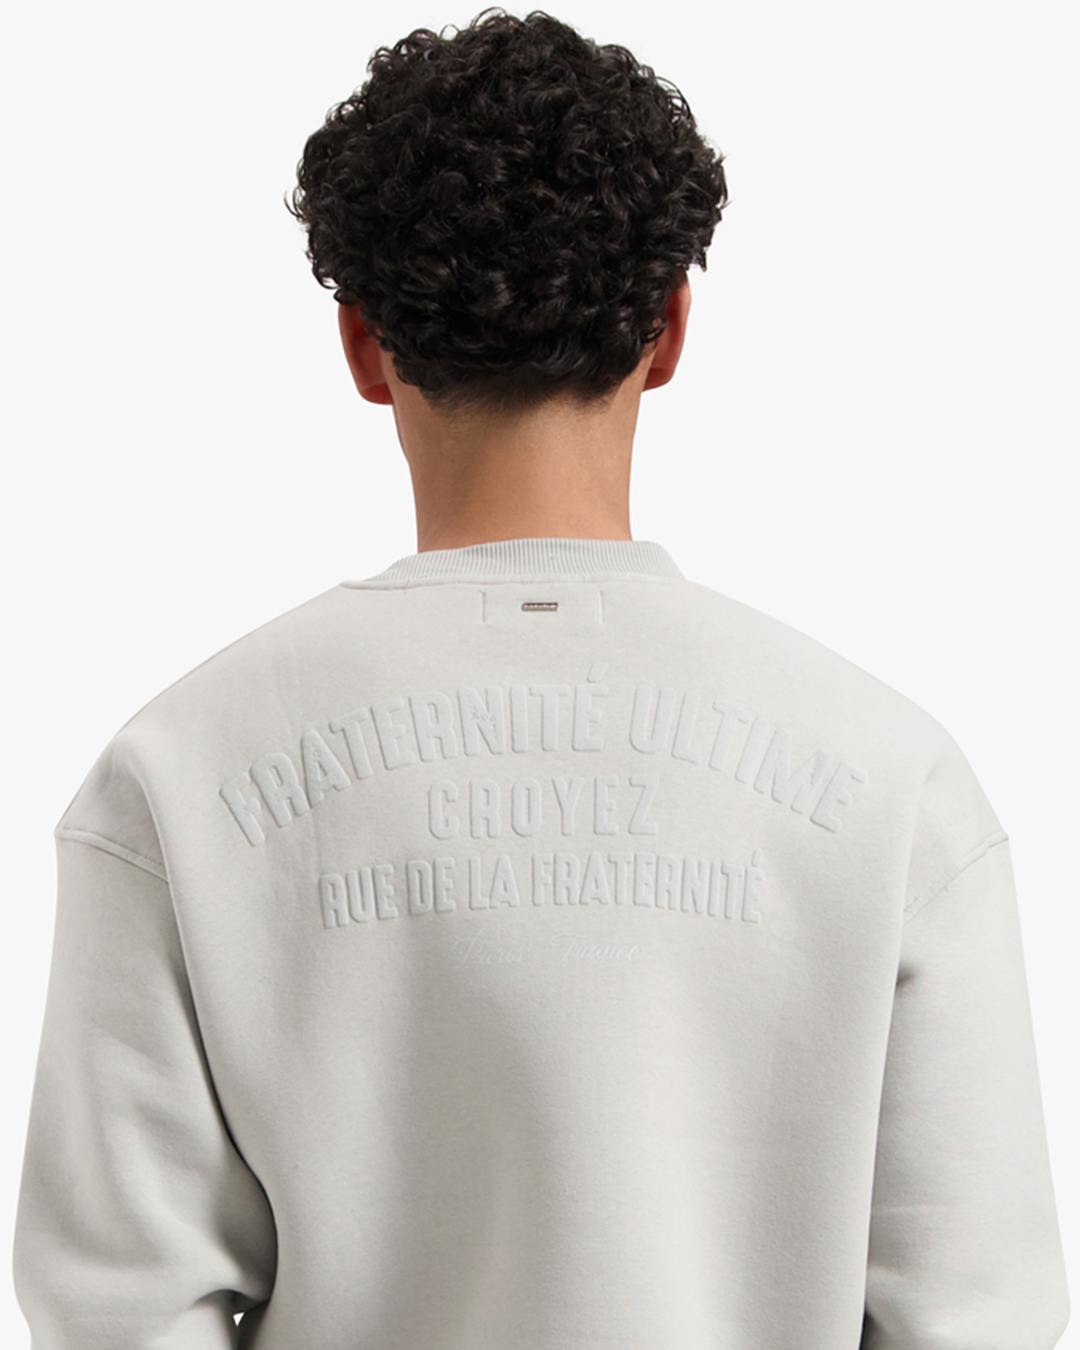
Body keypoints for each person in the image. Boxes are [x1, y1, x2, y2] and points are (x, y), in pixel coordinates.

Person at [12, 8, 1070, 1348]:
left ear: (361, 344)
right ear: (671, 329)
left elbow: (120, 1310)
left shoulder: (178, 774)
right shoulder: (894, 780)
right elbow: (980, 1315)